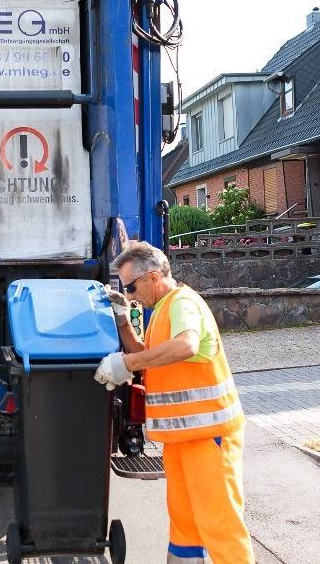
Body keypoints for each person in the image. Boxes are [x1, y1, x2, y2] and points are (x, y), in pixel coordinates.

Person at [95, 240, 254, 564]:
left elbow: (186, 346)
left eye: (131, 287)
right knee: (184, 525)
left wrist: (126, 364)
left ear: (153, 277)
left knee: (220, 524)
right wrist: (123, 320)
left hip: (208, 436)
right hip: (182, 439)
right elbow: (148, 355)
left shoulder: (183, 303)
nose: (129, 295)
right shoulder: (163, 310)